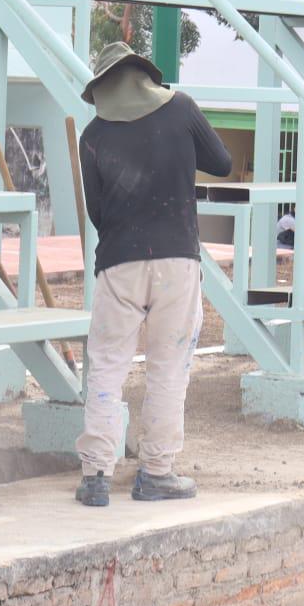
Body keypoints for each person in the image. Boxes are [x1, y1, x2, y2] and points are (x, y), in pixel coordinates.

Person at [74, 41, 233, 507]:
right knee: (168, 366)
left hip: (118, 262)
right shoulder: (181, 109)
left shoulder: (92, 136)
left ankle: (96, 476)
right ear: (145, 76)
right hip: (176, 261)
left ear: (103, 89)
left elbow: (98, 213)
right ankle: (156, 473)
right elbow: (222, 163)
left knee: (106, 363)